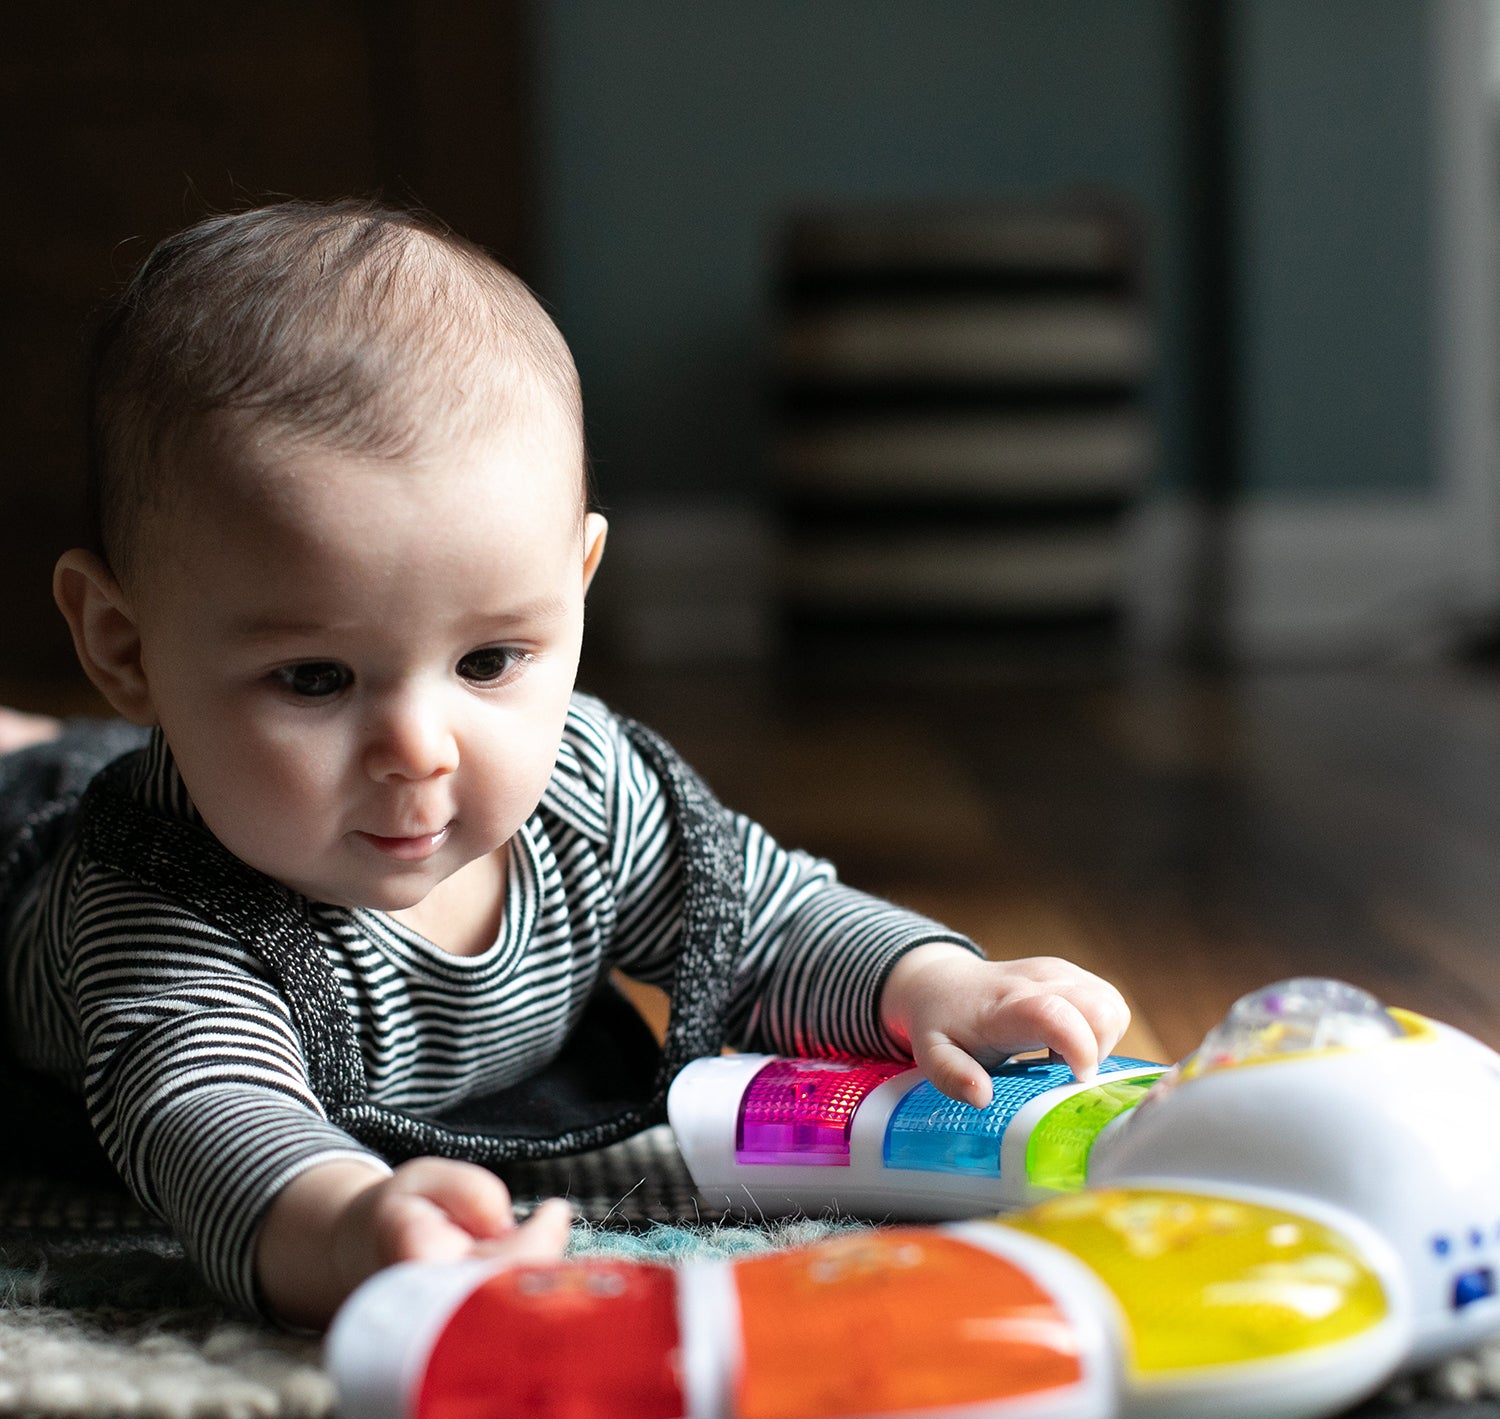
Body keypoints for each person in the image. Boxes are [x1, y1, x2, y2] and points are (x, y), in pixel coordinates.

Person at [0, 201, 1128, 1330]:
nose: (419, 750)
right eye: (315, 679)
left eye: (487, 660)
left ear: (574, 584)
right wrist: (350, 1225)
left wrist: (931, 985)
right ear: (122, 643)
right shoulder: (151, 908)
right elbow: (212, 1119)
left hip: (193, 762)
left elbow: (766, 923)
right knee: (46, 778)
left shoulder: (584, 789)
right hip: (43, 854)